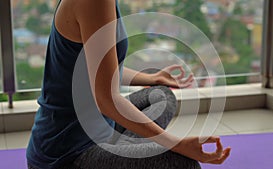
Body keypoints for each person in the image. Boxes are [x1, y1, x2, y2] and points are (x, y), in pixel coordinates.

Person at [26, 0, 231, 168]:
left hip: (103, 128)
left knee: (161, 96)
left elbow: (99, 72)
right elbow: (107, 101)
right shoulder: (94, 2)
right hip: (69, 152)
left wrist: (151, 78)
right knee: (181, 163)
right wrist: (177, 145)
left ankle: (127, 153)